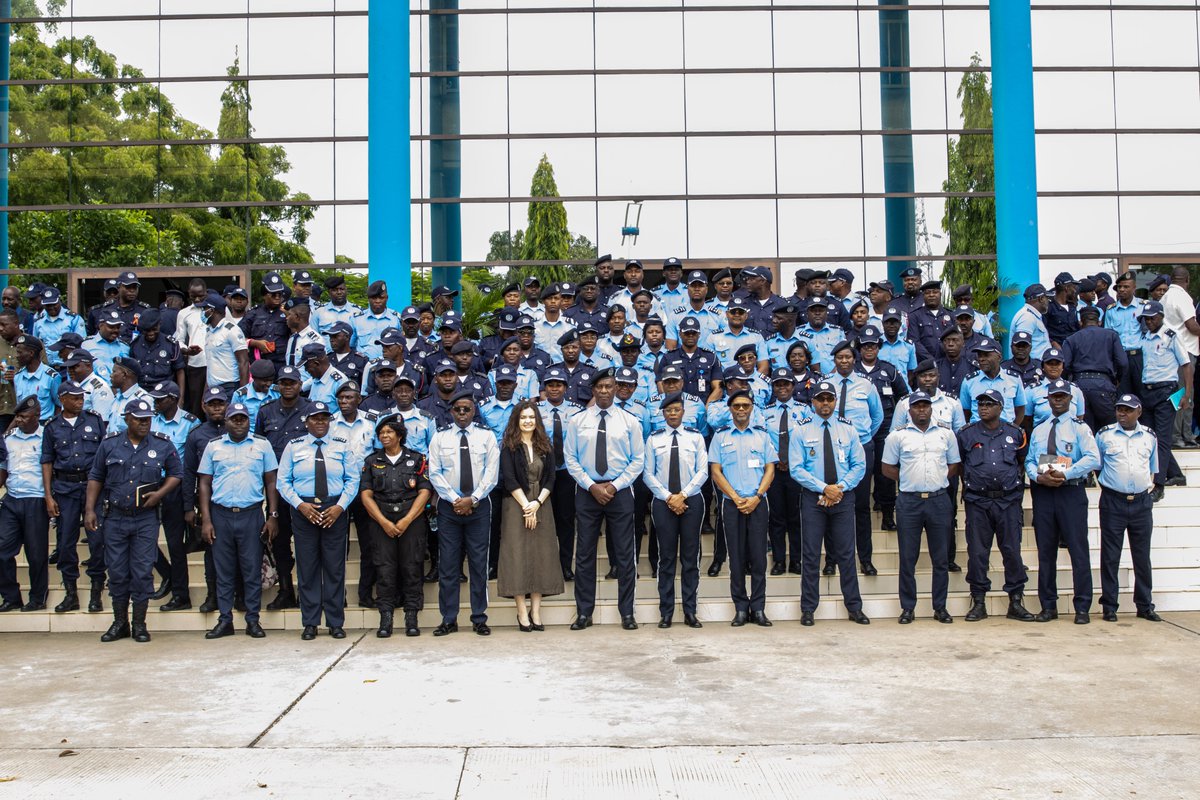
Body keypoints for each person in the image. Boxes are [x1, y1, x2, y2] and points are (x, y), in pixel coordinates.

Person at [85, 399, 184, 643]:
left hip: (145, 518)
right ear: (127, 418)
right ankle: (120, 623)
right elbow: (96, 476)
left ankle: (139, 624)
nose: (144, 423)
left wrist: (160, 493)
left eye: (147, 419)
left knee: (142, 572)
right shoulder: (110, 444)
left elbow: (176, 473)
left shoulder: (162, 444)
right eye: (139, 419)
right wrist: (89, 510)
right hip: (115, 516)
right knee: (117, 572)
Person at [563, 368, 646, 631]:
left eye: (608, 386)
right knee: (584, 554)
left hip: (619, 491)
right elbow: (570, 458)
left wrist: (614, 485)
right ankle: (584, 613)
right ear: (592, 390)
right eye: (599, 387)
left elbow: (638, 460)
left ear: (616, 389)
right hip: (587, 491)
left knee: (625, 555)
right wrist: (591, 486)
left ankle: (627, 613)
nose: (604, 391)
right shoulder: (578, 420)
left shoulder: (629, 421)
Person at [276, 401, 361, 640]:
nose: (321, 422)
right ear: (306, 422)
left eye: (325, 418)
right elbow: (283, 482)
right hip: (304, 511)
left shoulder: (342, 445)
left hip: (334, 509)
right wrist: (300, 505)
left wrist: (340, 507)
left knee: (334, 568)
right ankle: (310, 622)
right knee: (308, 568)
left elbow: (352, 479)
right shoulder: (293, 446)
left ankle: (335, 622)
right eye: (315, 418)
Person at [787, 380, 869, 626]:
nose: (825, 403)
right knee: (811, 555)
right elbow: (796, 469)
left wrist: (838, 489)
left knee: (846, 554)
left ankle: (854, 607)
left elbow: (859, 465)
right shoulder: (801, 430)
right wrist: (824, 489)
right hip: (814, 499)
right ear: (813, 402)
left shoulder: (848, 428)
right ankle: (808, 608)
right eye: (820, 399)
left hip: (842, 498)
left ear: (835, 401)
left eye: (829, 399)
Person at [196, 402, 279, 639]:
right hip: (221, 515)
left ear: (249, 421)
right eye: (234, 419)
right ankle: (225, 620)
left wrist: (273, 515)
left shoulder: (262, 444)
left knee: (251, 570)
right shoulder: (214, 446)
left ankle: (253, 620)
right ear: (226, 421)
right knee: (224, 571)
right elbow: (204, 483)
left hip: (251, 514)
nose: (239, 423)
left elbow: (271, 481)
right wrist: (206, 519)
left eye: (243, 418)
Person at [1024, 379, 1101, 624]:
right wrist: (1038, 477)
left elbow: (1093, 458)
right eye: (1054, 396)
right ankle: (1048, 606)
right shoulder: (1039, 429)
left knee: (1078, 550)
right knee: (1046, 552)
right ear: (1047, 399)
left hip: (1070, 491)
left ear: (1070, 399)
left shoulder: (1080, 427)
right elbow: (1029, 461)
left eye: (1062, 396)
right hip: (1044, 492)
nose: (1058, 400)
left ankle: (1082, 607)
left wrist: (1066, 473)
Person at [881, 390, 961, 624]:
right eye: (917, 406)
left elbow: (954, 465)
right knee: (908, 558)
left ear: (931, 408)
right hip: (909, 501)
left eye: (925, 405)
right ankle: (908, 608)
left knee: (941, 558)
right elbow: (887, 468)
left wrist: (937, 478)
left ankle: (940, 607)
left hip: (938, 500)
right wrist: (909, 478)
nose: (922, 409)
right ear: (910, 410)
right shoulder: (898, 436)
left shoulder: (946, 434)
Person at [956, 389, 1036, 622]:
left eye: (989, 404)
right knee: (977, 553)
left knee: (1012, 551)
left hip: (1007, 501)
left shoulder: (1015, 432)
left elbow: (1022, 461)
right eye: (980, 404)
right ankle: (979, 602)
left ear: (1001, 408)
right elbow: (960, 464)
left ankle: (1016, 601)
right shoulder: (966, 434)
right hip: (978, 501)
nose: (983, 407)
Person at [427, 388, 500, 636]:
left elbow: (491, 473)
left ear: (473, 411)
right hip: (450, 508)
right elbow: (435, 472)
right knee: (448, 565)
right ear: (450, 412)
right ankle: (449, 619)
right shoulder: (440, 438)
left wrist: (473, 498)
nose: (461, 414)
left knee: (479, 565)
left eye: (466, 409)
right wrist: (457, 499)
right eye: (457, 409)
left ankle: (479, 617)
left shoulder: (486, 436)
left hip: (479, 507)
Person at [359, 414, 432, 638]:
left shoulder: (417, 459)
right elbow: (366, 495)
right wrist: (384, 522)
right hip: (381, 521)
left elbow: (425, 491)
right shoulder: (372, 461)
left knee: (412, 567)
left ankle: (412, 617)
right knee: (384, 569)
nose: (384, 436)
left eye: (389, 432)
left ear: (399, 435)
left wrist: (406, 520)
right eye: (381, 433)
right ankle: (386, 618)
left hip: (411, 520)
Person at [709, 389, 776, 627]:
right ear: (730, 409)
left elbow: (770, 469)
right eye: (736, 405)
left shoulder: (762, 436)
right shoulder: (720, 437)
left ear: (751, 408)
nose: (740, 409)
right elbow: (716, 471)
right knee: (735, 558)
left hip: (757, 503)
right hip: (731, 503)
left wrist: (757, 497)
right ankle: (740, 607)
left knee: (758, 558)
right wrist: (736, 497)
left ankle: (758, 608)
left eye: (745, 406)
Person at [41, 381, 108, 612]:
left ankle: (96, 591)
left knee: (97, 540)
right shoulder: (52, 427)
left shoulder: (94, 420)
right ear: (62, 399)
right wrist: (48, 496)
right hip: (65, 489)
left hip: (92, 487)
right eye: (75, 398)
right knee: (65, 542)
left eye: (82, 397)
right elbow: (47, 461)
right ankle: (71, 593)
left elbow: (104, 456)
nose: (80, 401)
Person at [496, 400, 563, 631]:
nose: (527, 421)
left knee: (541, 556)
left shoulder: (545, 445)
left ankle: (536, 611)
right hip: (516, 504)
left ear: (537, 420)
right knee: (516, 556)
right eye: (523, 417)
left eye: (531, 417)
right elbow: (509, 478)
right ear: (517, 420)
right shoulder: (509, 446)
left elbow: (551, 478)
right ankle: (522, 612)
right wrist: (527, 507)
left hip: (541, 503)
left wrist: (537, 503)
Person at [643, 392, 707, 629]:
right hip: (663, 502)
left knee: (691, 558)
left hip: (691, 501)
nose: (672, 414)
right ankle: (666, 612)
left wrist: (683, 495)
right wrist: (669, 497)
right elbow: (647, 473)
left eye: (676, 410)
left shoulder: (695, 437)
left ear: (683, 412)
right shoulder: (654, 439)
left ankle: (690, 611)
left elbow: (703, 471)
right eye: (668, 410)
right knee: (666, 558)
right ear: (663, 414)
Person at [255, 366, 312, 609]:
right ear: (278, 385)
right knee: (279, 541)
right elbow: (259, 446)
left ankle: (308, 592)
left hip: (305, 485)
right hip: (276, 487)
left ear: (300, 385)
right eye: (284, 383)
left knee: (307, 543)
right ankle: (286, 590)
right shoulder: (266, 411)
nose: (288, 387)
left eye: (292, 383)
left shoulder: (311, 410)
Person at [826, 340, 883, 576]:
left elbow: (877, 417)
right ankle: (831, 560)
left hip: (861, 449)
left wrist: (862, 440)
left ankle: (865, 559)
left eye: (848, 357)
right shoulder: (826, 384)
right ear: (834, 360)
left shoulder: (866, 385)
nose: (844, 361)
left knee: (861, 506)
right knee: (831, 502)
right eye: (840, 357)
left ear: (854, 359)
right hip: (832, 450)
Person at [149, 380, 199, 611]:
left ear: (173, 399)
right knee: (144, 538)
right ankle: (167, 574)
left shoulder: (190, 423)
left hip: (175, 487)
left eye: (160, 399)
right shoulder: (151, 420)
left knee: (175, 544)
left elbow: (192, 462)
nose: (156, 403)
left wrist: (190, 498)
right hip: (150, 484)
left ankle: (181, 595)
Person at [1136, 300, 1192, 499]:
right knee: (1151, 438)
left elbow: (1186, 365)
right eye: (1146, 319)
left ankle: (1158, 486)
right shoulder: (1145, 337)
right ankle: (1176, 474)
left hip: (1166, 392)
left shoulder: (1170, 336)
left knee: (1162, 438)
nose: (1149, 322)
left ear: (1161, 316)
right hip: (1147, 391)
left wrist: (1186, 394)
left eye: (1152, 318)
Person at [0, 396, 49, 611]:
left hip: (36, 500)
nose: (18, 420)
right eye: (17, 416)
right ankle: (11, 597)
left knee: (36, 554)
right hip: (12, 500)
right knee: (2, 550)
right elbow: (3, 468)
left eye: (23, 416)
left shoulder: (46, 437)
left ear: (37, 416)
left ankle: (37, 598)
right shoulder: (8, 438)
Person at [1061, 305, 1126, 431]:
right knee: (1111, 429)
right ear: (1099, 322)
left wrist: (1069, 383)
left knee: (1083, 430)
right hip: (1104, 385)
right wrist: (1117, 379)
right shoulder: (1111, 336)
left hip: (1079, 385)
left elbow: (1065, 365)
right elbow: (1123, 362)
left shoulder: (1071, 339)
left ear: (1081, 322)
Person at [1008, 283, 1052, 360]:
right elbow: (1021, 349)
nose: (1048, 301)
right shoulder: (1027, 317)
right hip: (1032, 366)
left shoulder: (1032, 315)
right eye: (1047, 298)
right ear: (1041, 298)